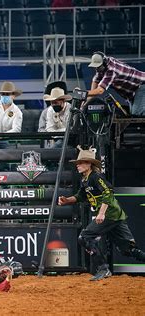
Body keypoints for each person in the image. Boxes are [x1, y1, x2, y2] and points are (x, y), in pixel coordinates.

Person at [58, 146, 145, 281]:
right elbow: (80, 196)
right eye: (78, 163)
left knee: (84, 237)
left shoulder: (96, 177)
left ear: (89, 164)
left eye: (80, 163)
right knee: (128, 250)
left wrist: (101, 213)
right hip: (116, 215)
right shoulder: (85, 179)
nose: (78, 166)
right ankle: (105, 268)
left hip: (109, 213)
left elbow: (108, 191)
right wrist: (66, 201)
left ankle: (103, 269)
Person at [87, 52, 145, 116]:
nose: (96, 69)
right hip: (133, 91)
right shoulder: (102, 67)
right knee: (131, 115)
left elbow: (100, 90)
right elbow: (95, 82)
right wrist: (86, 101)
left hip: (142, 85)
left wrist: (83, 93)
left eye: (98, 67)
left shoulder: (111, 70)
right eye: (95, 67)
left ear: (104, 63)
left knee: (137, 113)